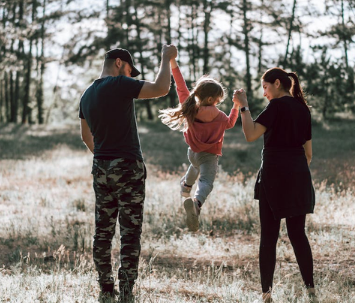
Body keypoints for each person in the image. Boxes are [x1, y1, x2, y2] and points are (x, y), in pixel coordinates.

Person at [79, 45, 177, 302]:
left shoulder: (87, 94)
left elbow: (85, 136)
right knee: (130, 231)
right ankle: (126, 290)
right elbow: (161, 88)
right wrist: (166, 58)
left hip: (100, 166)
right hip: (127, 166)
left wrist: (104, 157)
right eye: (131, 72)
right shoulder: (120, 84)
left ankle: (105, 286)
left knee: (102, 230)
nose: (132, 77)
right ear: (120, 63)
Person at [233, 67, 318, 303]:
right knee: (298, 234)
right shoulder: (303, 109)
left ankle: (266, 294)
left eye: (266, 87)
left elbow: (250, 134)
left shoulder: (276, 107)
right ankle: (310, 290)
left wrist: (243, 105)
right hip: (299, 176)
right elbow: (308, 153)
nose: (265, 93)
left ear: (278, 83)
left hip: (274, 178)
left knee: (268, 237)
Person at [159, 58, 239, 232]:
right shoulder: (220, 116)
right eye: (218, 100)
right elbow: (231, 123)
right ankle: (196, 203)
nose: (218, 103)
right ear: (211, 99)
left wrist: (173, 63)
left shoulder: (190, 108)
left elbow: (180, 85)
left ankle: (186, 185)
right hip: (209, 156)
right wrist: (236, 105)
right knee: (206, 182)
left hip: (193, 153)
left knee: (194, 166)